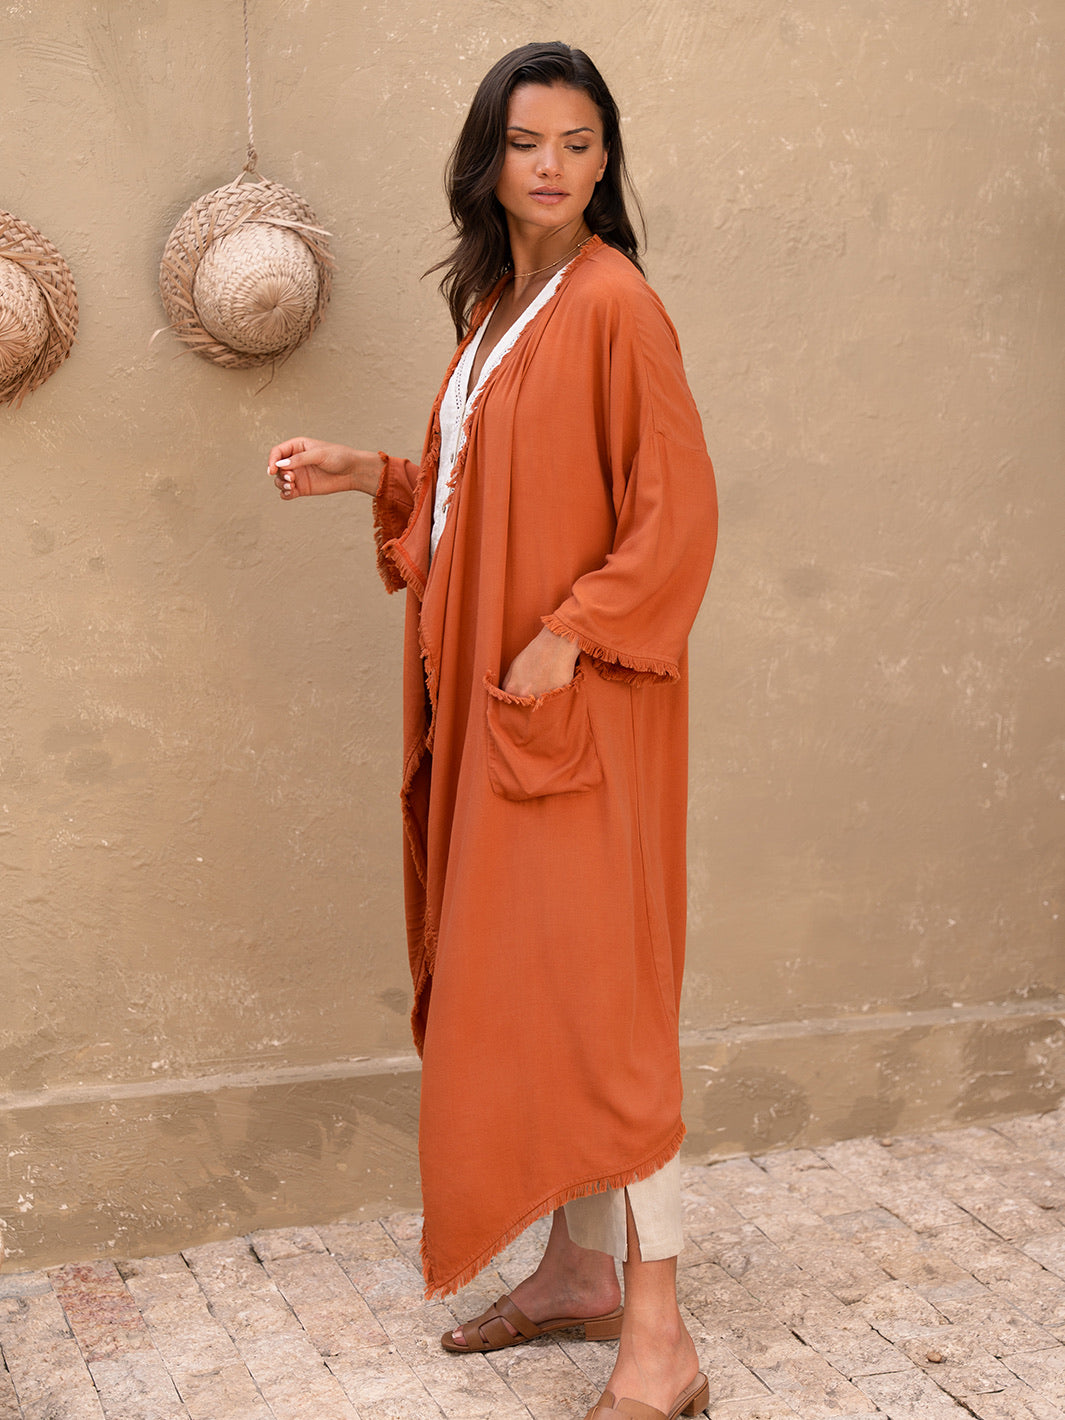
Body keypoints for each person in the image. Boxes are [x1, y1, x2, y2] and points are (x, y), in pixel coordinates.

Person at [267, 42, 717, 1420]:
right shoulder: (497, 305)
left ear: (604, 162)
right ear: (489, 158)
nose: (554, 166)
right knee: (527, 992)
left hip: (578, 711)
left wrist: (569, 632)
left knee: (601, 1011)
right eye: (530, 142)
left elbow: (677, 506)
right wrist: (375, 472)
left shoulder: (613, 304)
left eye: (581, 145)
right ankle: (578, 1266)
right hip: (500, 706)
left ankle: (662, 1337)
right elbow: (487, 493)